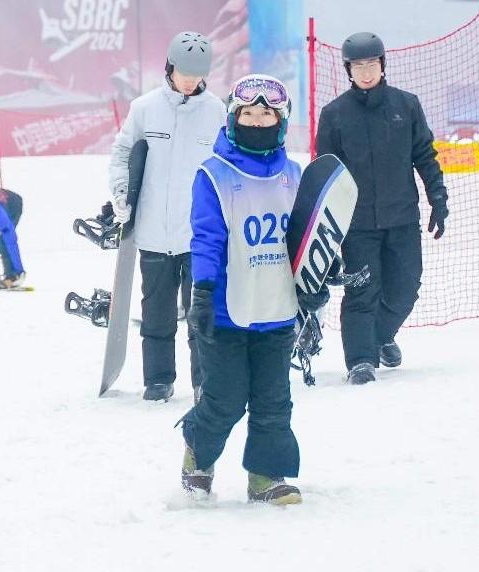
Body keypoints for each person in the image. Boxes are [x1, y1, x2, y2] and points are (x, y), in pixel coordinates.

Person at [181, 74, 328, 505]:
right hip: (227, 311)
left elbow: (306, 238)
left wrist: (315, 282)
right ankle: (197, 457)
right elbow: (205, 240)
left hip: (277, 308)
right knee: (224, 400)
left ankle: (266, 477)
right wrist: (202, 293)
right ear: (233, 118)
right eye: (249, 113)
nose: (258, 121)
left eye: (267, 114)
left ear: (280, 121)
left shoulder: (295, 175)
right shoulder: (213, 175)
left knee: (273, 401)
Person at [315, 32, 448, 385]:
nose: (366, 72)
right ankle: (360, 359)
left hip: (402, 217)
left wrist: (438, 198)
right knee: (362, 291)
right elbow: (324, 175)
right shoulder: (334, 115)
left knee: (406, 287)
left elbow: (425, 156)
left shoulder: (406, 106)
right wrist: (323, 231)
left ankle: (380, 335)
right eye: (358, 66)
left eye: (371, 64)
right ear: (348, 70)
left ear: (383, 65)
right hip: (357, 224)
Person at [108, 31, 226, 402]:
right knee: (156, 312)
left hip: (199, 234)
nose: (190, 80)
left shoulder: (217, 111)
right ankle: (158, 379)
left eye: (198, 73)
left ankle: (203, 380)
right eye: (184, 72)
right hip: (154, 233)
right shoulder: (144, 108)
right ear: (170, 68)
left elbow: (226, 165)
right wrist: (121, 194)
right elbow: (123, 154)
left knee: (201, 312)